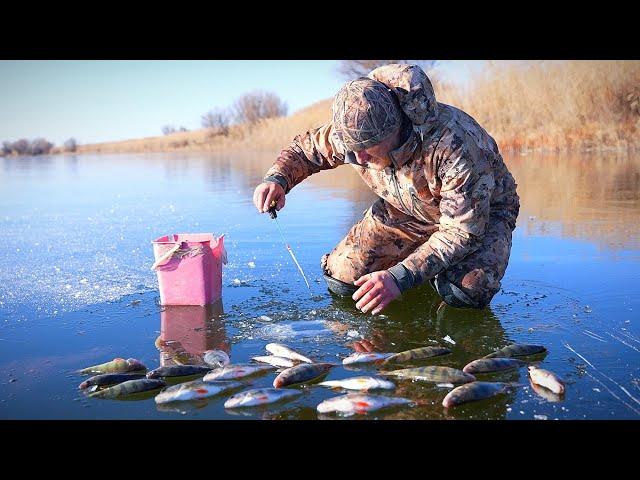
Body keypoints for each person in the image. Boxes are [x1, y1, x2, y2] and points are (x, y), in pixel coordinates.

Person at [252, 64, 519, 314]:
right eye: (352, 151)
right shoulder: (353, 137)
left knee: (465, 291)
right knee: (344, 280)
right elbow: (306, 150)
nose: (359, 159)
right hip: (408, 212)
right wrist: (277, 179)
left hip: (480, 215)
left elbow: (461, 231)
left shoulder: (454, 146)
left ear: (394, 131)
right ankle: (416, 270)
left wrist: (399, 277)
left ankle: (431, 279)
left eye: (367, 149)